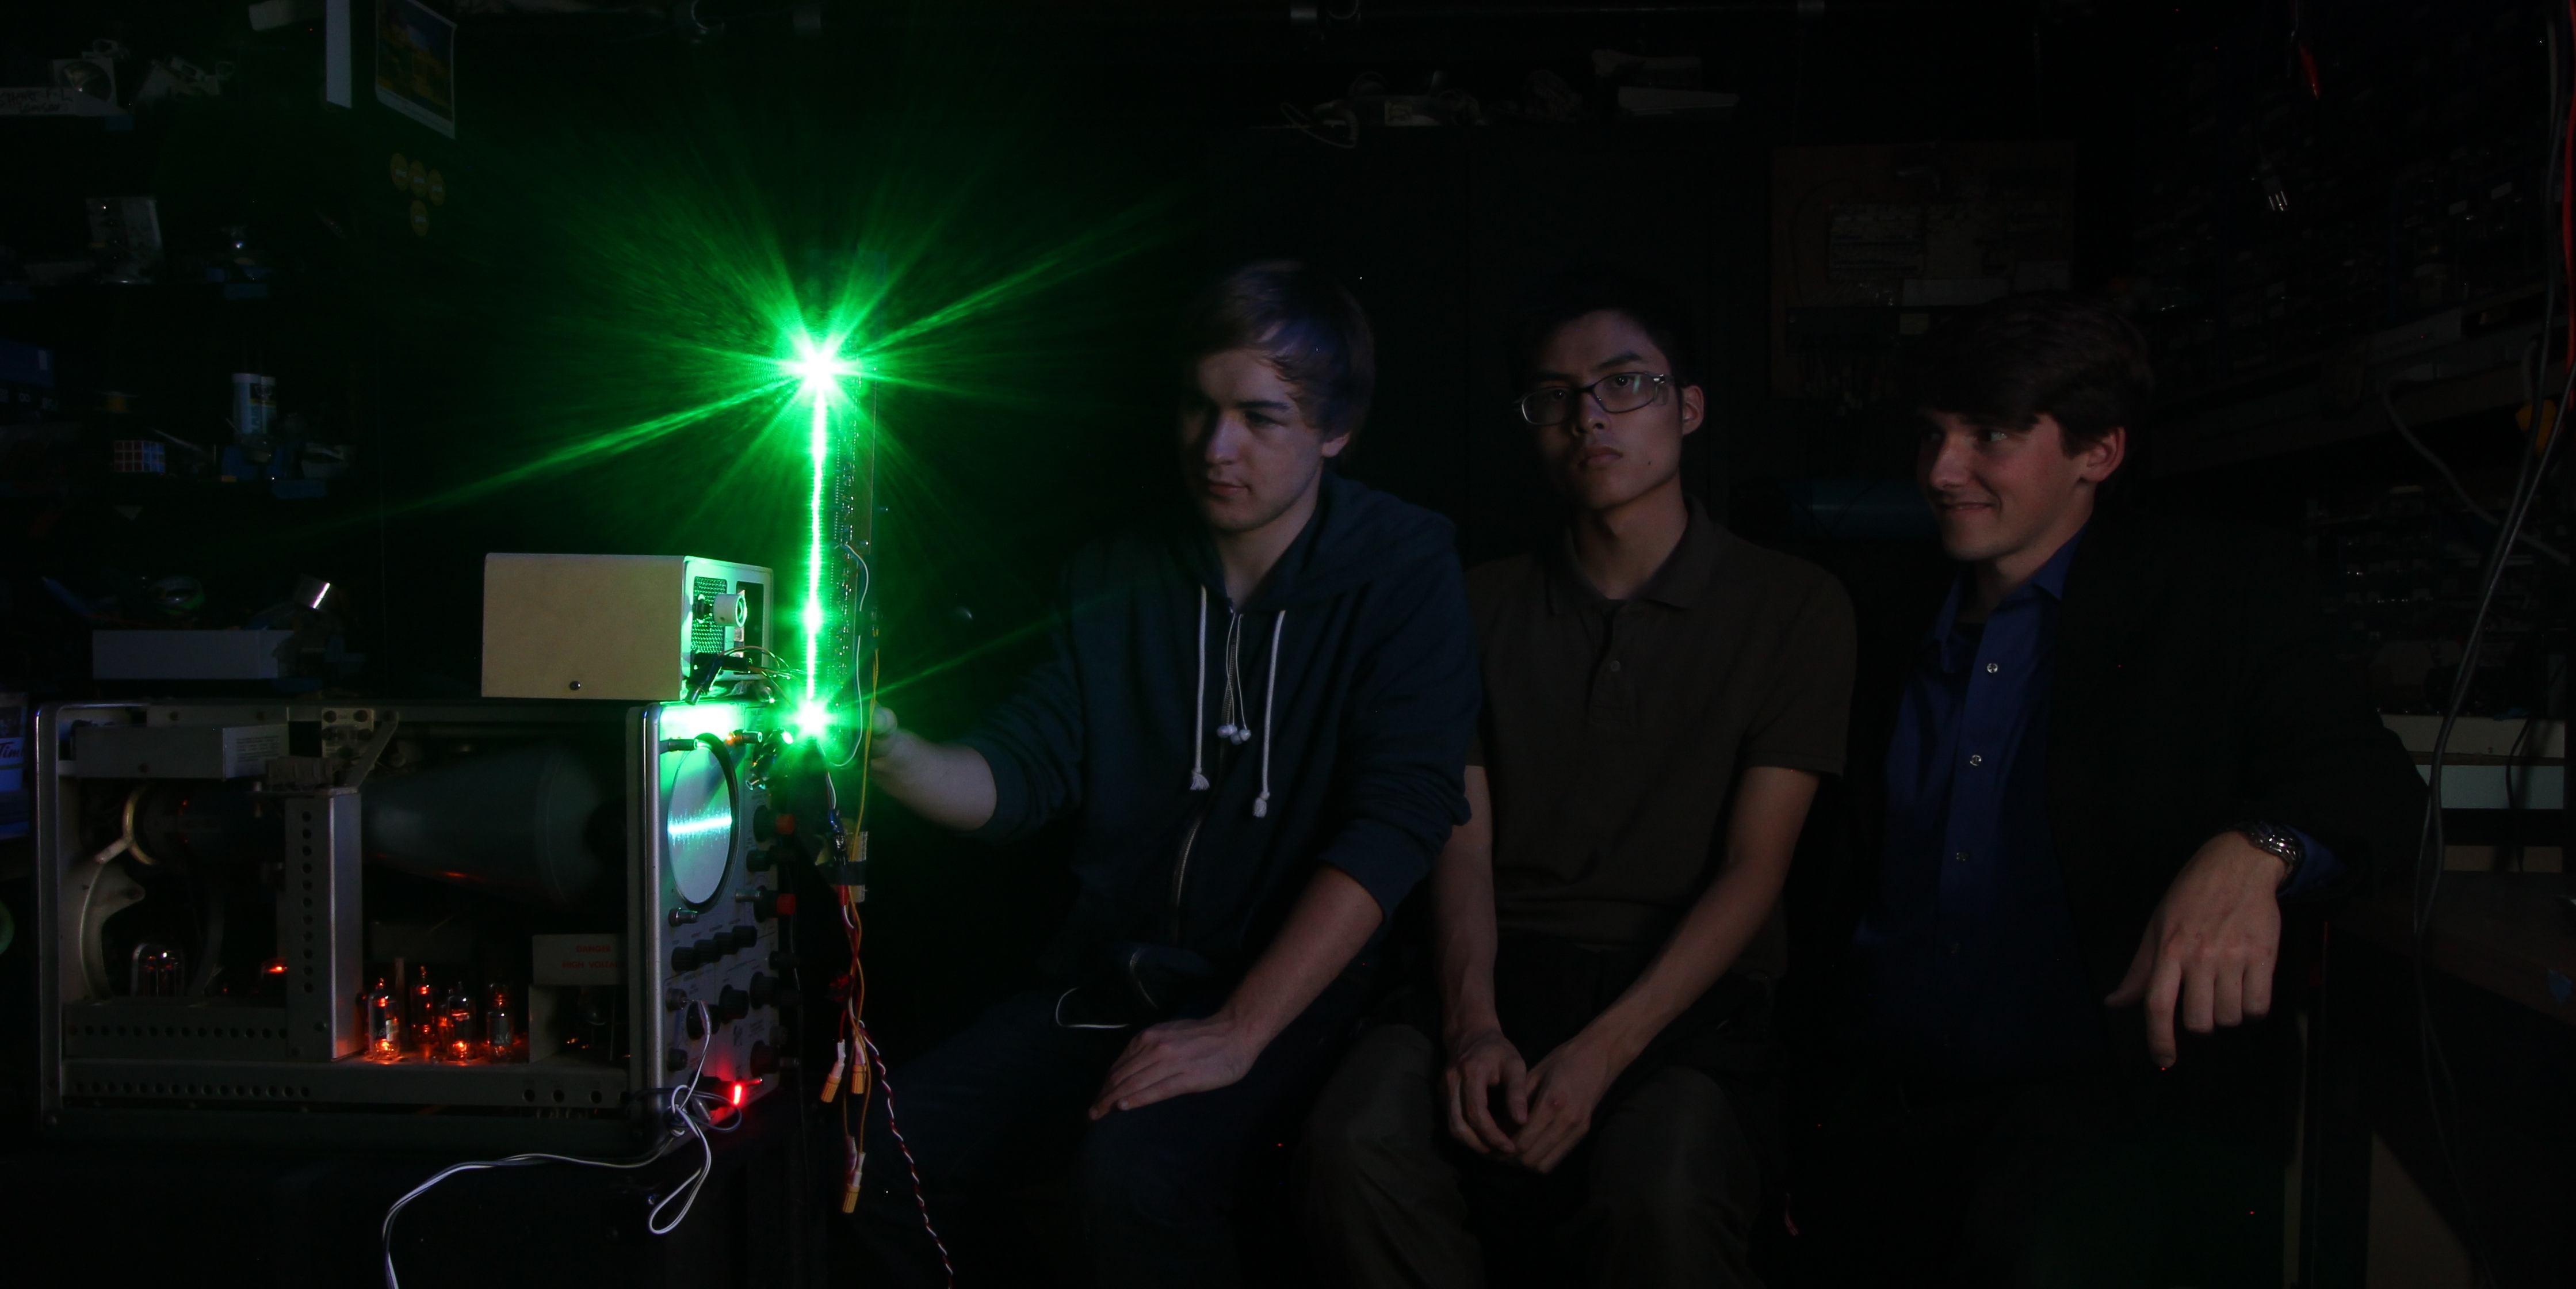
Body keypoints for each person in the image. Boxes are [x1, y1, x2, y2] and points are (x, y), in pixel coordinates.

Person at [847, 261, 1481, 1287]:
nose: (1215, 448)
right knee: (878, 1153)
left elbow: (1399, 820)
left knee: (1132, 1182)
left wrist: (1238, 1029)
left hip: (1302, 997)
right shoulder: (1114, 571)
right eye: (1198, 407)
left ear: (1335, 430)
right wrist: (896, 755)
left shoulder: (1403, 568)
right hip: (1114, 982)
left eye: (1259, 418)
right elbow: (1022, 772)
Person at [1793, 292, 2425, 1288]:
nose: (1941, 471)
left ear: (2099, 452)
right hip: (1878, 1116)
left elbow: (2372, 784)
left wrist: (2255, 850)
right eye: (1930, 436)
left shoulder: (2213, 592)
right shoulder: (1870, 609)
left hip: (2104, 1126)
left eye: (1989, 436)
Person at [1300, 265, 1856, 1289]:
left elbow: (1754, 867)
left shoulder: (1792, 605)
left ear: (1688, 409)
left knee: (1662, 1192)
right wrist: (1472, 1026)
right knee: (1352, 1141)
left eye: (1623, 385)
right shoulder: (1472, 604)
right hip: (1496, 967)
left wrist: (1604, 1051)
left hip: (1687, 991)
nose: (1587, 417)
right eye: (1555, 397)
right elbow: (1459, 844)